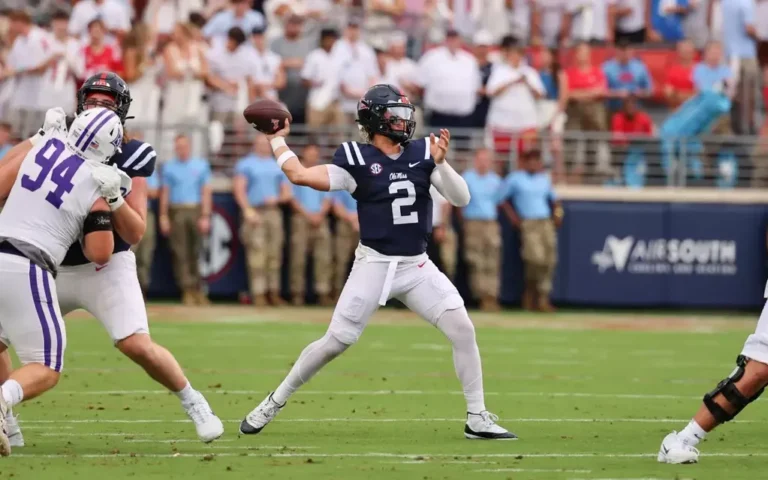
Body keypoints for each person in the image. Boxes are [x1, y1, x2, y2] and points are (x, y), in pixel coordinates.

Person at [238, 83, 515, 440]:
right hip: (374, 264)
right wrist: (277, 139)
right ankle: (275, 400)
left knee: (463, 329)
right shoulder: (356, 159)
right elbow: (300, 175)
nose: (403, 121)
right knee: (335, 342)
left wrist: (442, 164)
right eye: (395, 115)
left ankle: (477, 417)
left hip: (416, 266)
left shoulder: (426, 151)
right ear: (375, 120)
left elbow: (461, 198)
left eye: (405, 114)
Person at [0, 72, 224, 447]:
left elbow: (134, 233)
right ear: (80, 103)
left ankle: (194, 401)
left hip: (103, 267)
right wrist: (37, 139)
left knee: (135, 343)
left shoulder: (132, 154)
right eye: (94, 101)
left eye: (107, 103)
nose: (99, 108)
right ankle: (9, 419)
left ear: (122, 110)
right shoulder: (56, 139)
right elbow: (9, 174)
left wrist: (113, 200)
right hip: (47, 266)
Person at [0, 107, 124, 456]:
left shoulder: (41, 147)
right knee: (47, 367)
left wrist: (35, 138)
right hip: (29, 264)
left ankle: (10, 429)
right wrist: (108, 204)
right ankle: (2, 401)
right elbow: (101, 253)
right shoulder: (98, 181)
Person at [499, 148, 562, 312]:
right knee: (535, 258)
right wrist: (513, 218)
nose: (534, 163)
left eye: (536, 160)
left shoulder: (544, 179)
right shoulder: (515, 179)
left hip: (545, 222)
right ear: (524, 162)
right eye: (530, 160)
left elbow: (554, 200)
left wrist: (557, 214)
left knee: (550, 259)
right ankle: (530, 292)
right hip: (529, 223)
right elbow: (502, 199)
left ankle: (543, 298)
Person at [233, 134, 291, 307]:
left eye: (266, 143)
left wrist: (278, 199)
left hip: (273, 212)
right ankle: (258, 293)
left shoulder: (277, 165)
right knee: (257, 254)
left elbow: (286, 193)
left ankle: (273, 292)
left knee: (275, 253)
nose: (264, 146)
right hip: (255, 210)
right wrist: (247, 211)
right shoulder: (246, 164)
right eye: (260, 143)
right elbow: (239, 189)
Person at [158, 134, 213, 306]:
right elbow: (164, 193)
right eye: (178, 147)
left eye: (183, 146)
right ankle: (187, 289)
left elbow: (206, 192)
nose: (181, 150)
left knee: (197, 251)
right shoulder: (169, 168)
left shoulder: (201, 165)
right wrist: (164, 216)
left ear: (189, 147)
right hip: (177, 209)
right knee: (180, 252)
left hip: (194, 209)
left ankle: (199, 289)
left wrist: (205, 215)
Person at [461, 148, 503, 311]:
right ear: (475, 160)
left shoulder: (496, 180)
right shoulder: (467, 177)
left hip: (490, 223)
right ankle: (481, 296)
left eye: (487, 160)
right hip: (473, 222)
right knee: (476, 260)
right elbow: (459, 203)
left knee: (492, 260)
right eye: (481, 159)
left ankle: (492, 296)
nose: (484, 163)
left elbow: (500, 201)